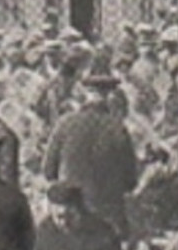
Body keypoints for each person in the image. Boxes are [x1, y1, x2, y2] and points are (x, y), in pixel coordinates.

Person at [42, 66, 141, 235]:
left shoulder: (65, 124)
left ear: (84, 94)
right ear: (110, 96)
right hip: (107, 218)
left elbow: (48, 171)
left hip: (71, 215)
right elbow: (131, 181)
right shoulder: (118, 128)